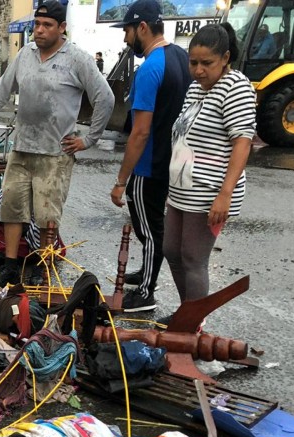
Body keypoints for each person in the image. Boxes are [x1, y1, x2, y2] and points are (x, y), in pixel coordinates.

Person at [0, 0, 114, 287]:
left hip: (55, 153)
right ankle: (10, 265)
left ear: (62, 28)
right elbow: (2, 89)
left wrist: (89, 140)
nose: (40, 30)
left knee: (47, 215)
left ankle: (42, 266)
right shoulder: (25, 55)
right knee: (12, 208)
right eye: (37, 24)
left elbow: (105, 98)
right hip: (22, 148)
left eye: (47, 25)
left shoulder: (77, 59)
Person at [164, 23, 255, 317]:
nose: (198, 70)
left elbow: (242, 141)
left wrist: (224, 195)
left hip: (208, 190)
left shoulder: (235, 87)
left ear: (226, 58)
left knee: (193, 258)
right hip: (182, 187)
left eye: (207, 63)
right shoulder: (196, 88)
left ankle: (191, 327)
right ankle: (187, 314)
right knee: (171, 251)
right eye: (193, 63)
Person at [108, 0, 191, 312]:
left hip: (151, 163)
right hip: (176, 160)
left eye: (127, 31)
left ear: (142, 27)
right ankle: (146, 271)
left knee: (150, 226)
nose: (126, 39)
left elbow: (140, 132)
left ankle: (145, 293)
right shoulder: (182, 58)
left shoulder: (151, 69)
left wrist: (121, 180)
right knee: (152, 223)